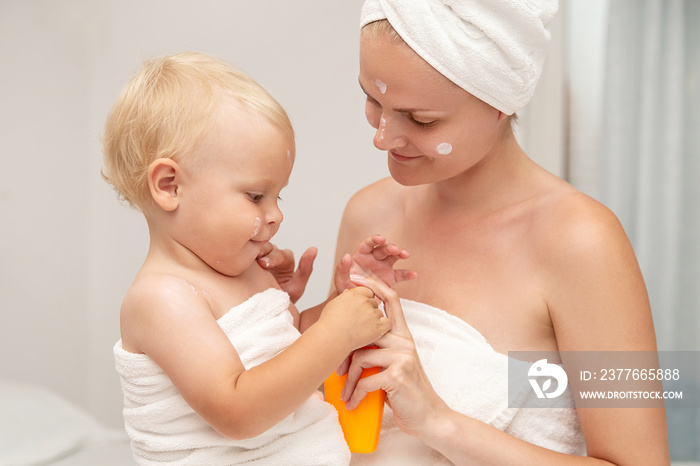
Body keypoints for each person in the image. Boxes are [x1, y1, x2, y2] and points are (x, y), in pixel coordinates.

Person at [260, 0, 671, 464]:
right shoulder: (369, 213)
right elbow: (339, 414)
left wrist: (439, 422)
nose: (382, 137)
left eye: (421, 120)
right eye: (373, 101)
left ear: (501, 103)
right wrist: (280, 318)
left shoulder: (581, 243)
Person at [102, 51, 393, 465]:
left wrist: (341, 303)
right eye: (256, 196)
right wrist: (336, 332)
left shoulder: (243, 273)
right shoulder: (161, 298)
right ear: (169, 186)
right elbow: (239, 413)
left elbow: (288, 354)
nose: (276, 214)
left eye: (279, 195)